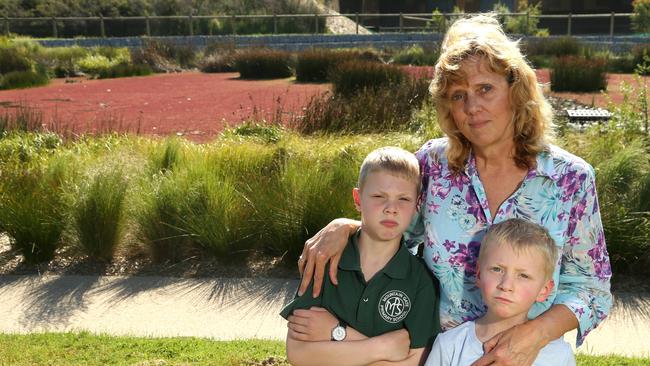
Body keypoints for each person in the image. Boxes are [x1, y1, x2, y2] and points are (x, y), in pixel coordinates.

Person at [293, 14, 612, 366]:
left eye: (485, 89)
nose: (472, 107)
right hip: (435, 355)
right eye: (458, 95)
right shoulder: (431, 167)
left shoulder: (570, 179)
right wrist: (347, 226)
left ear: (516, 90)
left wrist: (533, 337)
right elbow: (394, 223)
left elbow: (592, 289)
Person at [281, 146, 440, 365]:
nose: (391, 208)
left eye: (403, 199)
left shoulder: (421, 280)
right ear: (358, 199)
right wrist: (382, 347)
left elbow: (414, 362)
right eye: (378, 196)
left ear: (416, 205)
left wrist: (335, 332)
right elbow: (298, 353)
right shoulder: (325, 259)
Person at [425, 218, 575, 366]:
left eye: (523, 275)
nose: (506, 285)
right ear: (478, 275)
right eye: (497, 269)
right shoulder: (449, 346)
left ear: (544, 290)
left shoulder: (559, 356)